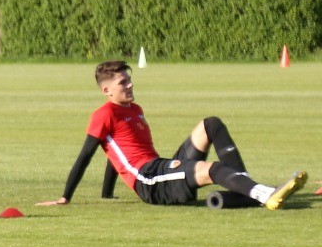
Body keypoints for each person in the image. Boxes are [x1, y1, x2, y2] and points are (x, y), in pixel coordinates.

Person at [37, 60, 306, 210]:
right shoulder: (103, 114)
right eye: (123, 83)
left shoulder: (134, 110)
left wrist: (107, 193)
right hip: (149, 180)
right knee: (210, 168)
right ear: (107, 91)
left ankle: (247, 189)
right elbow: (87, 155)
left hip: (159, 167)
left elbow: (115, 154)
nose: (130, 85)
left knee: (210, 124)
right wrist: (65, 197)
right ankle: (265, 194)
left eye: (129, 80)